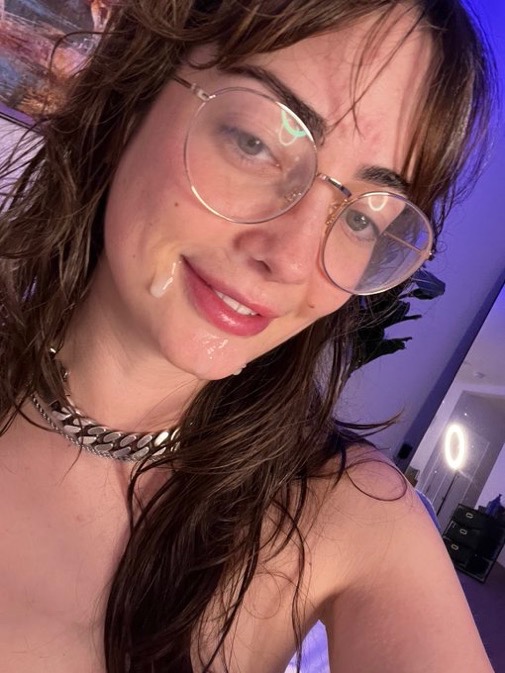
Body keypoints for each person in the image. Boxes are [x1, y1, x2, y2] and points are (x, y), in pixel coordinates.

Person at [0, 1, 497, 672]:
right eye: (256, 141)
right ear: (135, 90)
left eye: (361, 218)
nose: (290, 258)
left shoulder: (352, 520)